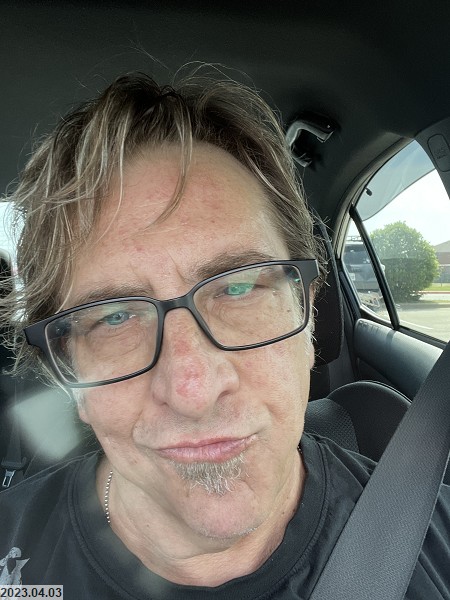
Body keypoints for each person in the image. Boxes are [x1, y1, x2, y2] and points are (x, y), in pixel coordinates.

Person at [0, 70, 448, 599]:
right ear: (69, 374)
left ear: (308, 313)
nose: (194, 391)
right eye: (115, 317)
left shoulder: (435, 545)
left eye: (238, 288)